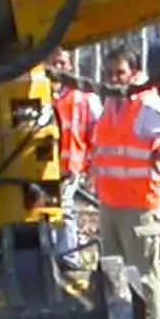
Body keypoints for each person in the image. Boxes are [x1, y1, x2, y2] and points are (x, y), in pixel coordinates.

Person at [90, 45, 160, 319]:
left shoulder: (146, 105)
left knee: (142, 276)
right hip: (111, 204)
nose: (114, 79)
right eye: (109, 74)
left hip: (139, 206)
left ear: (135, 74)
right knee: (113, 276)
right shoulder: (111, 104)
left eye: (120, 73)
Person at [47, 48, 102, 264]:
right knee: (46, 213)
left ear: (70, 66)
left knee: (64, 210)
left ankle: (69, 259)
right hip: (40, 167)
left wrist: (94, 166)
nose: (57, 68)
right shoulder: (38, 94)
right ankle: (53, 256)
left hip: (69, 167)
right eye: (53, 63)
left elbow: (99, 131)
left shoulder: (84, 97)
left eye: (62, 63)